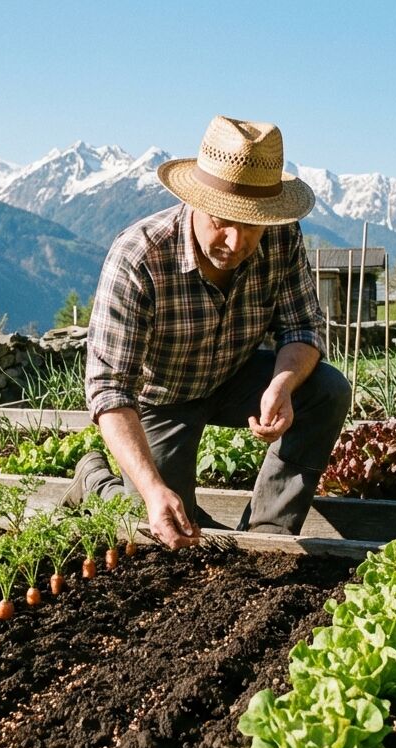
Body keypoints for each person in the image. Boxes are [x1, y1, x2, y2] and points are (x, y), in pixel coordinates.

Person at [67, 115, 352, 549]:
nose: (236, 242)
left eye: (251, 225)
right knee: (166, 523)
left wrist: (282, 384)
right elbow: (109, 389)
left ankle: (267, 535)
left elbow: (303, 327)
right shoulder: (140, 257)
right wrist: (153, 489)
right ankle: (96, 482)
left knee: (326, 389)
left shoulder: (282, 238)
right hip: (162, 397)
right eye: (222, 221)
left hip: (236, 377)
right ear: (195, 202)